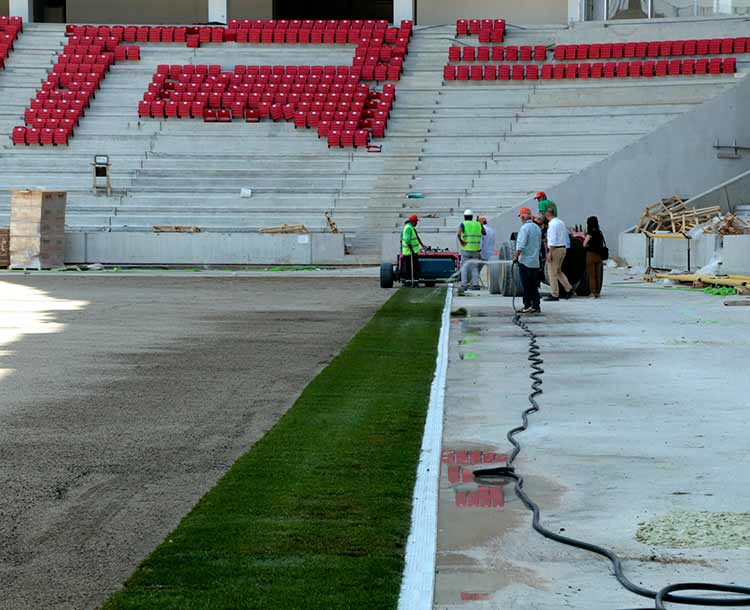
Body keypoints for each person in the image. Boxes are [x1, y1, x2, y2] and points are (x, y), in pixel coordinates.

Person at [512, 207, 542, 314]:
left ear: (524, 216)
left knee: (526, 285)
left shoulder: (524, 228)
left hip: (525, 262)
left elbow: (521, 245)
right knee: (534, 285)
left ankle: (527, 305)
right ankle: (536, 306)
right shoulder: (537, 228)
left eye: (520, 216)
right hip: (535, 262)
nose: (520, 218)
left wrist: (516, 256)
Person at [543, 206, 573, 301]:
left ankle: (555, 294)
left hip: (555, 249)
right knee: (558, 271)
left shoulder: (552, 225)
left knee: (552, 272)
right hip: (563, 248)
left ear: (547, 215)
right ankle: (569, 288)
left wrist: (549, 253)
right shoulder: (561, 222)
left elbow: (552, 239)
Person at [456, 209, 485, 290]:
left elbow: (458, 233)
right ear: (472, 217)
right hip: (475, 250)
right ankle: (475, 285)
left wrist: (461, 241)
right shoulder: (477, 224)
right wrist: (479, 223)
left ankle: (464, 285)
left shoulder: (463, 224)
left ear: (464, 217)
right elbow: (484, 233)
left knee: (464, 267)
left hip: (466, 249)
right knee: (474, 267)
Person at [583, 215, 606, 298]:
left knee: (592, 275)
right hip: (599, 256)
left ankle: (593, 293)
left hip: (591, 255)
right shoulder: (599, 233)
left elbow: (584, 244)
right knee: (598, 275)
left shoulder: (590, 233)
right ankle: (598, 292)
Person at [400, 214, 426, 287]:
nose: (417, 223)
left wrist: (422, 245)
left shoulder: (411, 228)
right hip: (410, 253)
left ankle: (411, 282)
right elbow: (408, 241)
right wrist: (411, 249)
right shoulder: (408, 228)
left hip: (412, 252)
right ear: (413, 221)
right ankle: (411, 282)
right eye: (416, 222)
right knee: (412, 268)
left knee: (412, 268)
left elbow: (416, 237)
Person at [478, 216, 495, 281]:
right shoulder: (492, 230)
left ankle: (474, 283)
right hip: (490, 253)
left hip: (483, 253)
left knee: (476, 270)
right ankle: (493, 283)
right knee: (491, 272)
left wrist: (479, 252)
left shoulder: (481, 230)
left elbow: (481, 242)